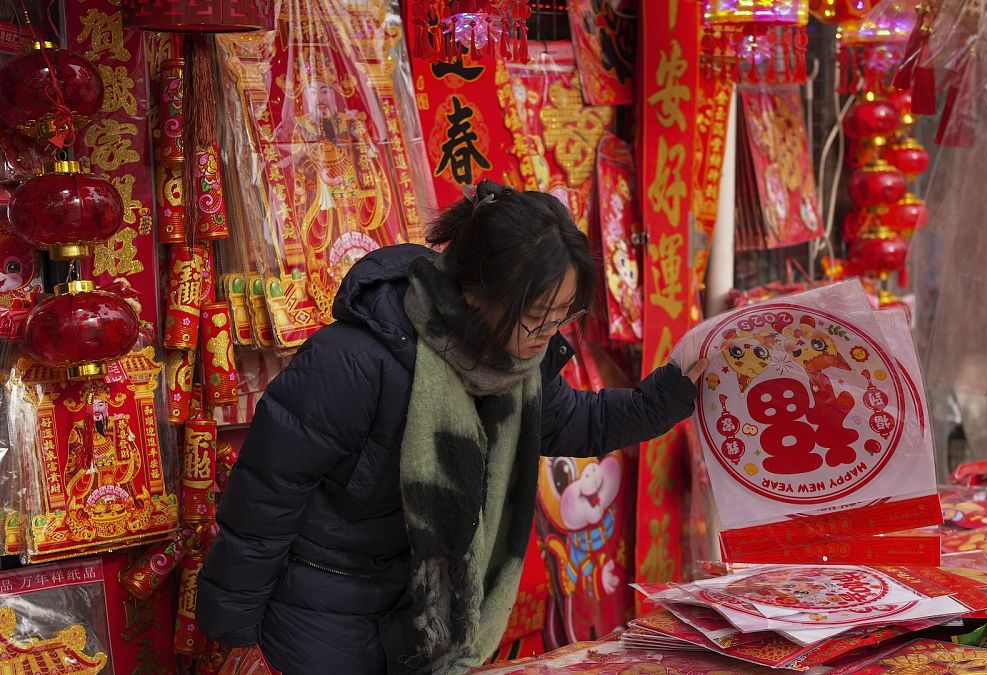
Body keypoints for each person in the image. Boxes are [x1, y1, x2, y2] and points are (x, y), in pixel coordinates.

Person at [197, 181, 706, 674]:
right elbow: (264, 500)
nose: (546, 337)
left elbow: (577, 421)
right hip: (318, 621)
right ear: (474, 292)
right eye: (536, 318)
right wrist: (237, 637)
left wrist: (674, 390)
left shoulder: (512, 368)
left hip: (420, 624)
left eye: (562, 318)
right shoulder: (353, 361)